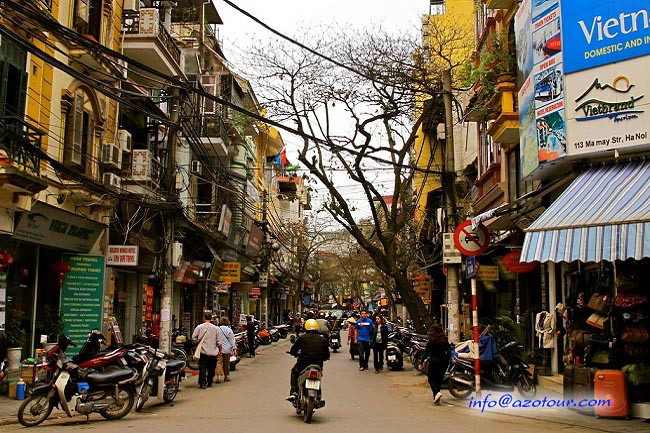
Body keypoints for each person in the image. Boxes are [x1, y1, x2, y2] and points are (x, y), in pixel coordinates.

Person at [286, 319, 330, 401]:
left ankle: (294, 392)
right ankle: (318, 394)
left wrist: (294, 353)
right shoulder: (322, 339)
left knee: (294, 372)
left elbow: (293, 350)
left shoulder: (302, 338)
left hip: (303, 364)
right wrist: (323, 358)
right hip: (318, 364)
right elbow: (327, 355)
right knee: (319, 376)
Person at [192, 312, 222, 389]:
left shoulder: (199, 327)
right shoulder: (216, 328)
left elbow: (193, 338)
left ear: (204, 318)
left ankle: (202, 383)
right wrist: (220, 350)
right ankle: (209, 380)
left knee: (202, 367)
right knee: (211, 368)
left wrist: (198, 342)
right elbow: (219, 341)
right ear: (211, 319)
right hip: (213, 352)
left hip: (203, 351)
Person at [423, 323, 450, 405]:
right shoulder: (444, 339)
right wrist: (447, 360)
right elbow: (448, 351)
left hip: (434, 361)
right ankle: (436, 397)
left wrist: (421, 362)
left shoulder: (432, 340)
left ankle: (436, 393)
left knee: (431, 378)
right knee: (438, 380)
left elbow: (427, 351)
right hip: (444, 362)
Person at [218, 317, 236, 382]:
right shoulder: (229, 330)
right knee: (226, 363)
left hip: (219, 349)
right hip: (227, 349)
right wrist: (234, 348)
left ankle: (218, 377)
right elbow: (232, 340)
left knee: (219, 363)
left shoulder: (217, 329)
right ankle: (226, 376)